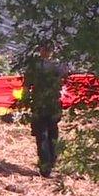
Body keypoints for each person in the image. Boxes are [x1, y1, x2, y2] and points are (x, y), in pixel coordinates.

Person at [22, 44, 68, 177]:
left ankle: (45, 167)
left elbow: (26, 87)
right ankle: (51, 162)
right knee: (53, 132)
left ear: (40, 50)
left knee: (42, 135)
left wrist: (24, 102)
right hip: (54, 105)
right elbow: (66, 79)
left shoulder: (34, 67)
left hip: (39, 105)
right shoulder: (58, 66)